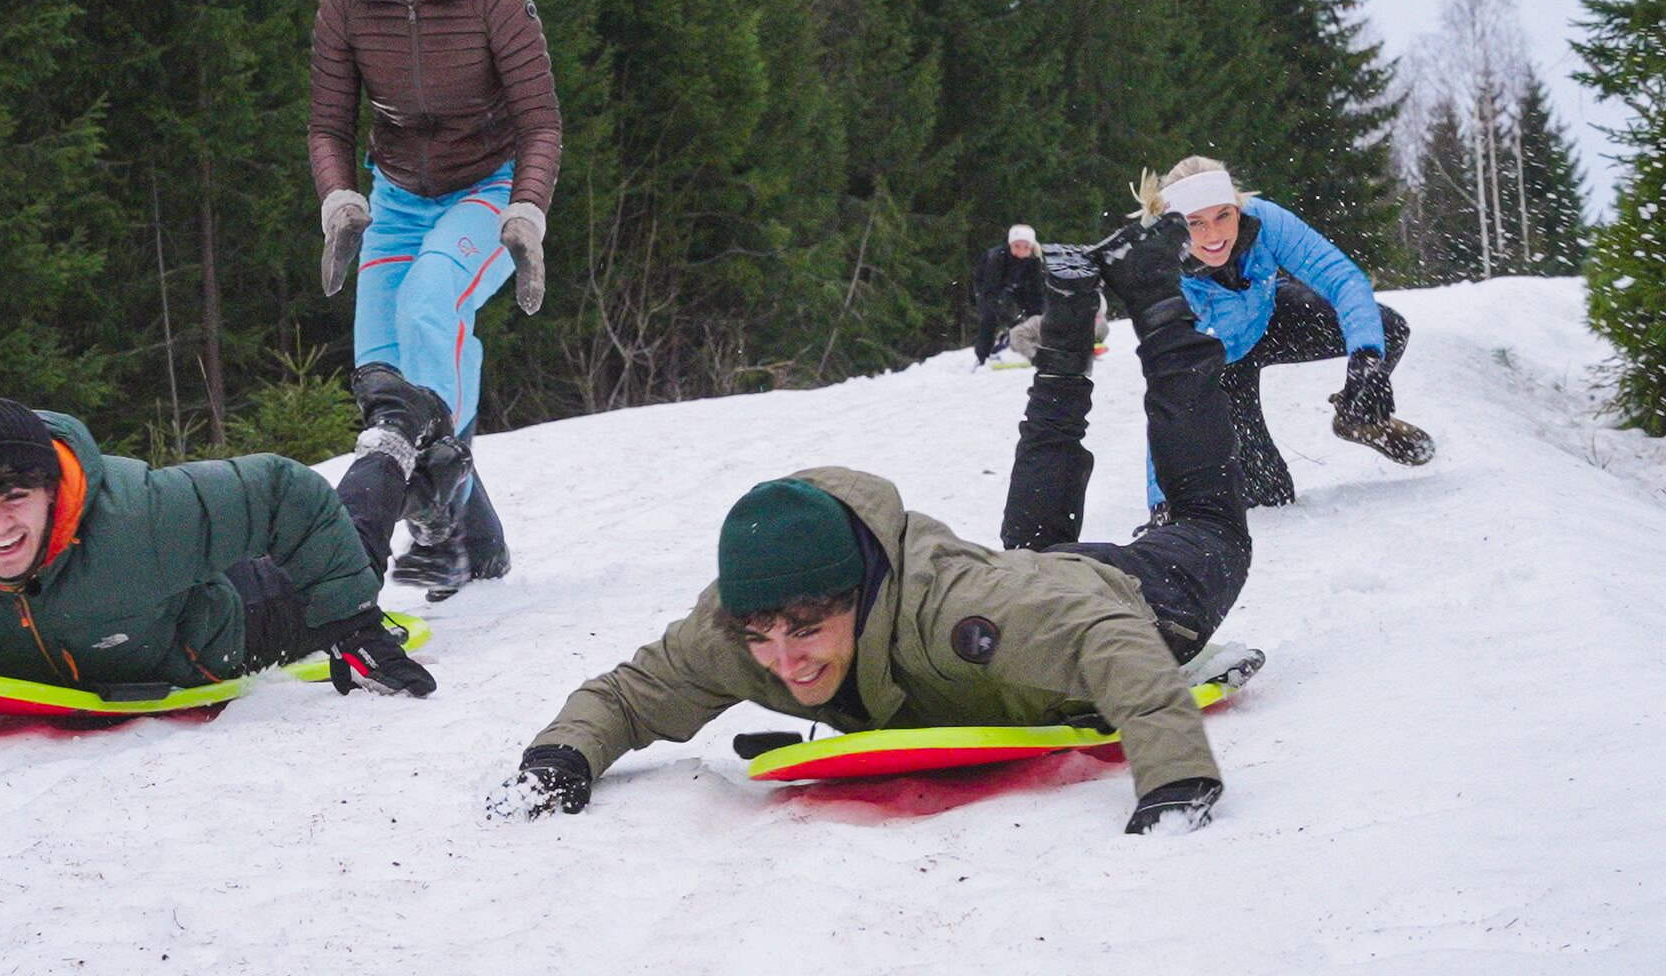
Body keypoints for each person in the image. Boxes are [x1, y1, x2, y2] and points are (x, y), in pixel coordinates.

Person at [494, 216, 1263, 834]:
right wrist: (560, 757)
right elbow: (630, 694)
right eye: (763, 638)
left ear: (857, 594)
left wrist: (1173, 778)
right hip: (1029, 599)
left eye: (805, 632)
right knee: (1030, 559)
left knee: (1206, 516)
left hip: (1137, 597)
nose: (785, 662)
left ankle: (1157, 295)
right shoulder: (742, 631)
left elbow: (1106, 635)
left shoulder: (957, 616)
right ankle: (1064, 331)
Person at [0, 396, 434, 698]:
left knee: (354, 546)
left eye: (16, 495)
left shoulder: (135, 518)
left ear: (52, 493)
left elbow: (285, 492)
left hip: (241, 620)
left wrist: (349, 623)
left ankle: (395, 435)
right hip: (140, 627)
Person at [289, 0, 562, 597]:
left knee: (430, 301)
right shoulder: (347, 0)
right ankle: (479, 544)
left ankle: (436, 529)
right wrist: (340, 198)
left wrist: (526, 212)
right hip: (399, 195)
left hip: (490, 189)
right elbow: (328, 123)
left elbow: (540, 123)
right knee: (383, 372)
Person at [1136, 157, 1433, 513]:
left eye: (1223, 216)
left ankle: (1359, 417)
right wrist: (1161, 503)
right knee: (1271, 496)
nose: (1213, 235)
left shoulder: (1263, 220)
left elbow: (1342, 278)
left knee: (1386, 330)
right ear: (1174, 224)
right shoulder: (1161, 274)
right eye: (1195, 223)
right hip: (1220, 364)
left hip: (1271, 320)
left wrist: (1367, 360)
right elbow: (1168, 396)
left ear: (1237, 207)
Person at [971, 225, 1109, 366]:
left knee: (1035, 309)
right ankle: (983, 357)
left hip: (1017, 285)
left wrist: (1039, 314)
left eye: (1026, 247)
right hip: (988, 286)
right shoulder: (997, 258)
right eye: (1017, 246)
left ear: (1031, 247)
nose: (1021, 251)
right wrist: (1009, 319)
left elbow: (1036, 290)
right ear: (1010, 244)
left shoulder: (1033, 259)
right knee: (989, 316)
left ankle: (1035, 343)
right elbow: (990, 292)